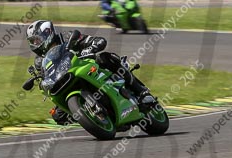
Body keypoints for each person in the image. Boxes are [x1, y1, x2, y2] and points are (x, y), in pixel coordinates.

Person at [25, 20, 156, 125]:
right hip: (65, 81)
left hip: (87, 67)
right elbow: (46, 77)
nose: (35, 44)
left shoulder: (66, 37)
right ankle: (90, 117)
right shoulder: (39, 61)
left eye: (37, 39)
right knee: (58, 116)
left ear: (47, 33)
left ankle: (141, 92)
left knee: (106, 58)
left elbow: (99, 41)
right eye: (32, 42)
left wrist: (90, 48)